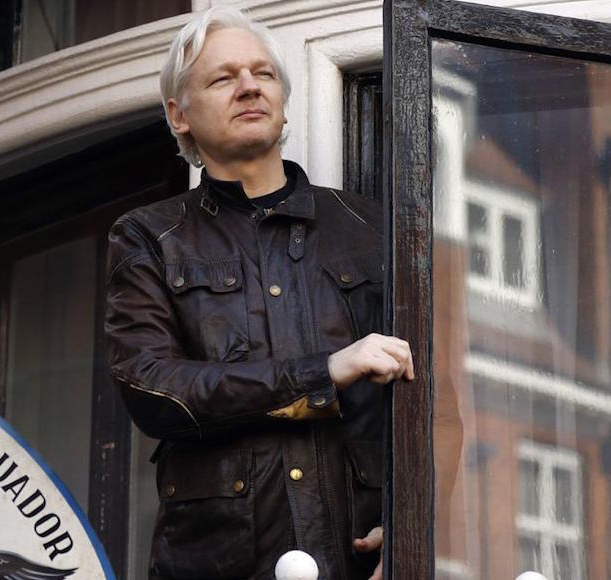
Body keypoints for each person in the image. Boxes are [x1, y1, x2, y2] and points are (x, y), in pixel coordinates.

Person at [104, 7, 414, 580]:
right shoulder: (149, 236)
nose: (249, 86)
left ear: (283, 99)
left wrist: (413, 529)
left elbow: (436, 397)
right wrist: (322, 371)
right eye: (223, 78)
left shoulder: (372, 228)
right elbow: (153, 388)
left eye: (263, 73)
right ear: (179, 115)